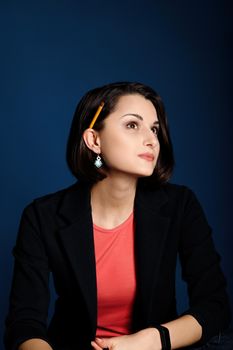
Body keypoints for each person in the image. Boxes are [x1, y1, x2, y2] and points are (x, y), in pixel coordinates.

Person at [4, 82, 233, 350]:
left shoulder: (180, 204)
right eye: (132, 125)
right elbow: (25, 323)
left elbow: (215, 306)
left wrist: (149, 341)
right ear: (94, 140)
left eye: (155, 129)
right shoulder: (42, 216)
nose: (151, 140)